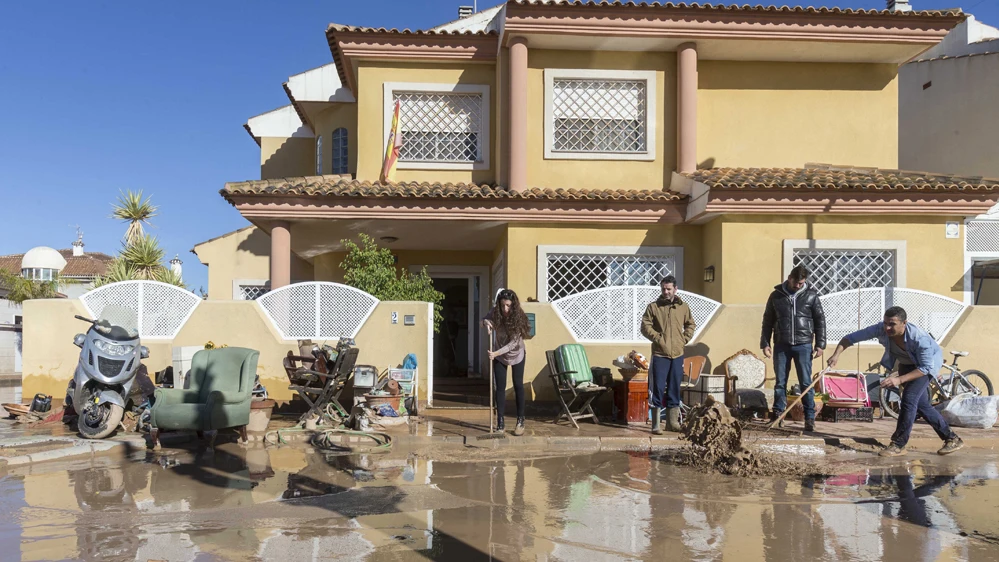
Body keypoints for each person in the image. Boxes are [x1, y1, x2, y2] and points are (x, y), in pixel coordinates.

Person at [827, 306, 963, 457]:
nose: (887, 327)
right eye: (885, 323)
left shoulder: (919, 338)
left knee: (909, 400)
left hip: (925, 367)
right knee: (922, 405)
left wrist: (899, 379)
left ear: (904, 323)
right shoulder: (880, 329)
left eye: (892, 324)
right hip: (906, 363)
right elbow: (850, 338)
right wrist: (836, 354)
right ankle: (951, 438)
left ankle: (898, 444)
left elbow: (925, 368)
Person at [760, 265, 826, 432]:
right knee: (780, 382)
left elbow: (820, 321)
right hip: (781, 344)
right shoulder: (776, 296)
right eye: (796, 282)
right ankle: (778, 416)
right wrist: (765, 343)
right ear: (789, 278)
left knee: (806, 382)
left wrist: (820, 344)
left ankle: (809, 418)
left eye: (801, 283)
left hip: (803, 345)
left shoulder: (811, 295)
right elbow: (767, 321)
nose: (798, 286)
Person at [640, 275, 696, 434]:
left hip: (677, 354)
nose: (665, 292)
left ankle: (672, 423)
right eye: (663, 288)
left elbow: (690, 324)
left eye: (669, 289)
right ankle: (656, 424)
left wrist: (684, 339)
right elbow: (645, 326)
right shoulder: (653, 307)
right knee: (657, 388)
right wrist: (658, 338)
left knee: (674, 388)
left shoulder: (683, 307)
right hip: (660, 354)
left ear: (675, 289)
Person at [482, 289, 531, 436]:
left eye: (508, 306)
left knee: (517, 385)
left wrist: (495, 353)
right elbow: (482, 320)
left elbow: (513, 343)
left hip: (516, 354)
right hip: (499, 356)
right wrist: (487, 323)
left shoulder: (518, 317)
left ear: (513, 305)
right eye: (503, 305)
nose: (505, 309)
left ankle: (520, 420)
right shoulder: (496, 311)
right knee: (500, 387)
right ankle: (500, 423)